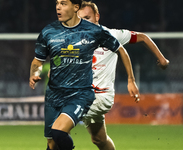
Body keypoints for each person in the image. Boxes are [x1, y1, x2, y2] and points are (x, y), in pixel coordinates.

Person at [29, 0, 139, 150]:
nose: (58, 7)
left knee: (59, 133)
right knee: (53, 144)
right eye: (57, 3)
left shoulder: (93, 31)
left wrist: (131, 80)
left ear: (75, 7)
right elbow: (37, 61)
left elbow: (120, 49)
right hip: (54, 94)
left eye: (63, 3)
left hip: (79, 94)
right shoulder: (48, 32)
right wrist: (34, 74)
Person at [78, 1, 169, 150]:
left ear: (97, 17)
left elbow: (143, 37)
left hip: (99, 97)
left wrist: (162, 59)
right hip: (85, 95)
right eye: (81, 19)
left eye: (87, 18)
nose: (84, 23)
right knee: (99, 140)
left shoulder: (112, 35)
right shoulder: (75, 40)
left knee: (60, 120)